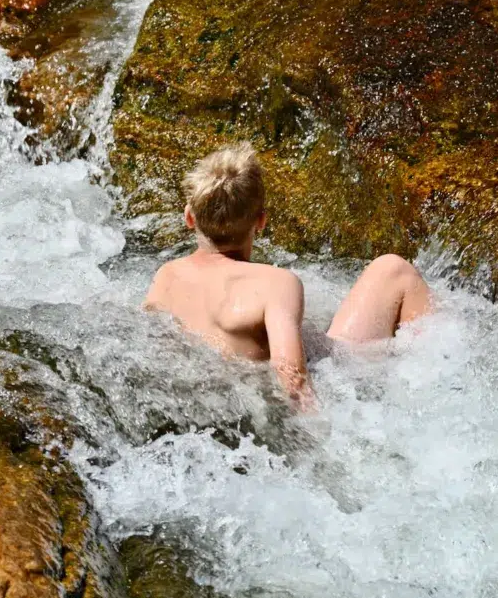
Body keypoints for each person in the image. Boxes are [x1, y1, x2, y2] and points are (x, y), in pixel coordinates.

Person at [144, 143, 433, 411]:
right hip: (328, 385)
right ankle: (435, 375)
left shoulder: (166, 277)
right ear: (261, 221)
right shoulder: (275, 284)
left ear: (189, 217)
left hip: (217, 403)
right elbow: (292, 378)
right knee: (393, 270)